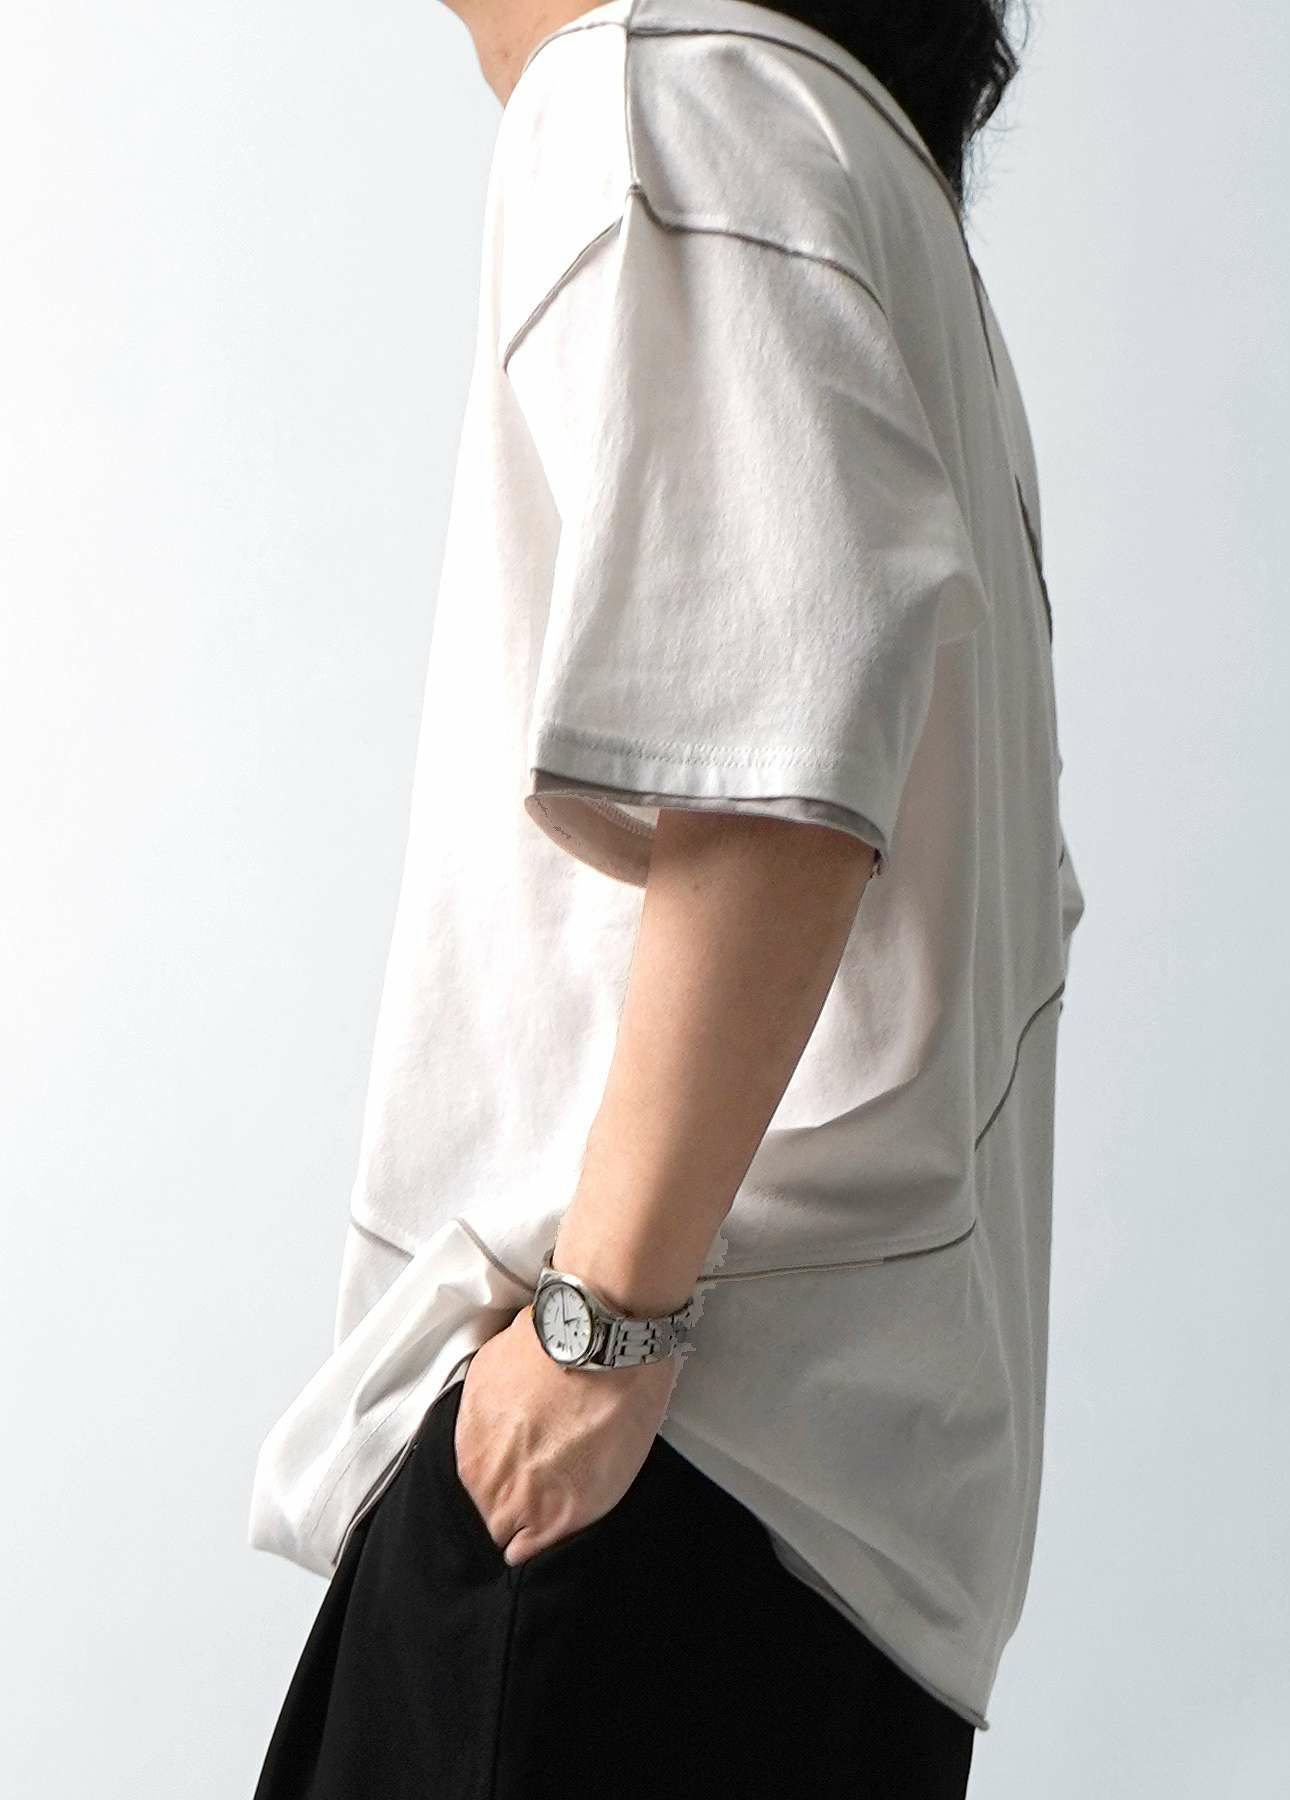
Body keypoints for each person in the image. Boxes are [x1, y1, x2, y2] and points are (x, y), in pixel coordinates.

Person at [248, 0, 1085, 1793]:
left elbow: (776, 778)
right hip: (830, 1533)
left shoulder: (668, 97)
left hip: (651, 1470)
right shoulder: (848, 169)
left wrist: (594, 1335)